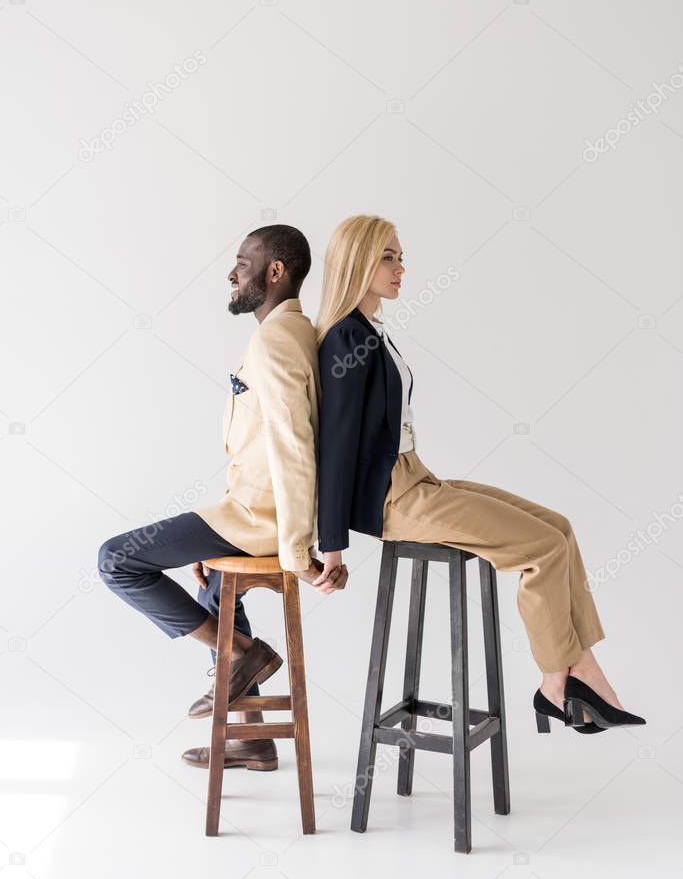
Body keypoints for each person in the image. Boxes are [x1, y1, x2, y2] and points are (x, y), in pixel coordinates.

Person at [314, 214, 644, 733]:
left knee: (557, 526)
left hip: (414, 476)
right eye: (388, 257)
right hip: (392, 497)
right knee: (543, 548)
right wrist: (330, 545)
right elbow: (334, 446)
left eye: (401, 257)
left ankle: (578, 670)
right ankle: (559, 680)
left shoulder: (369, 330)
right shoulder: (344, 339)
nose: (402, 268)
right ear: (357, 261)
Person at [98, 224, 347, 774]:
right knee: (214, 591)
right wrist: (210, 542)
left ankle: (242, 657)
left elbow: (292, 444)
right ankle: (252, 740)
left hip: (260, 516)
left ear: (274, 271)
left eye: (242, 262)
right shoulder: (292, 332)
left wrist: (297, 547)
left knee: (116, 559)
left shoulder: (278, 338)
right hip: (247, 508)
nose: (232, 273)